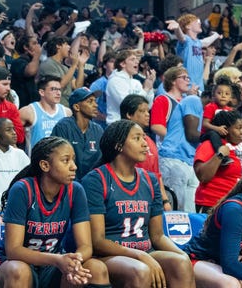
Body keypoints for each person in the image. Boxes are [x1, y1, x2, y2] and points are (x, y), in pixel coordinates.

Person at [82, 120, 195, 288]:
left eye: (144, 138)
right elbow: (97, 241)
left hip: (145, 252)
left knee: (181, 262)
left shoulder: (150, 180)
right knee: (140, 270)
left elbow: (157, 236)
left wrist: (183, 255)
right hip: (109, 256)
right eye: (137, 138)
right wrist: (139, 255)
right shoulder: (96, 180)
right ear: (119, 146)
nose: (145, 144)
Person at [0, 136, 110, 287]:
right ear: (45, 165)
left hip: (53, 264)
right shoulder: (23, 190)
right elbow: (13, 250)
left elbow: (86, 246)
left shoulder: (76, 190)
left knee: (96, 268)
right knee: (19, 271)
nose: (74, 166)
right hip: (14, 262)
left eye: (73, 160)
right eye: (66, 160)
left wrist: (74, 262)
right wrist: (58, 260)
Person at [120, 94, 172, 212]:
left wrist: (165, 201)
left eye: (148, 111)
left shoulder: (150, 142)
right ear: (129, 114)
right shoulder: (120, 140)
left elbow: (156, 174)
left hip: (151, 200)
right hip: (129, 200)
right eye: (142, 111)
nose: (147, 114)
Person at [194, 110, 242, 213]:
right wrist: (219, 155)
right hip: (213, 204)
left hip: (239, 204)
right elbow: (202, 176)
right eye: (238, 128)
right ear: (225, 129)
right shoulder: (210, 145)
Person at [51, 87, 103, 180]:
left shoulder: (98, 130)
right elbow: (57, 159)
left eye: (95, 101)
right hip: (67, 183)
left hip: (92, 183)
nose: (95, 105)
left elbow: (101, 162)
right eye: (90, 101)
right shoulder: (63, 127)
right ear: (76, 107)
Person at [167, 13, 220, 92]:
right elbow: (181, 37)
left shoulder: (198, 42)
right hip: (187, 87)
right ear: (188, 26)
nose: (200, 23)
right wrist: (177, 28)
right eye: (196, 21)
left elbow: (206, 42)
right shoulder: (186, 41)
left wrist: (216, 35)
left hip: (199, 87)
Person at [19, 75, 72, 152]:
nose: (58, 93)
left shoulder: (67, 112)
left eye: (59, 90)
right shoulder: (28, 111)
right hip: (35, 161)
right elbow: (14, 138)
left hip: (59, 159)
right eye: (53, 89)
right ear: (42, 92)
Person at [106, 49, 155, 125]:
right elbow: (128, 105)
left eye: (137, 59)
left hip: (134, 125)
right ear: (122, 64)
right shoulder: (115, 81)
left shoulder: (136, 82)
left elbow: (148, 106)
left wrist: (150, 87)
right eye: (132, 59)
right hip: (118, 126)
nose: (137, 62)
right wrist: (145, 90)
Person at [39, 36, 85, 107]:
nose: (69, 47)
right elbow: (60, 85)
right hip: (54, 107)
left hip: (66, 107)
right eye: (66, 44)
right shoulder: (48, 63)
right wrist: (73, 65)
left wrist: (81, 65)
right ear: (58, 46)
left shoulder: (65, 68)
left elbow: (77, 87)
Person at [149, 66, 188, 142]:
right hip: (168, 148)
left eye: (188, 78)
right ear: (173, 81)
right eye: (184, 77)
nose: (188, 81)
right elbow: (156, 126)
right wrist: (177, 139)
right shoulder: (162, 100)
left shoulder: (187, 101)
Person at [10, 34, 42, 108]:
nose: (38, 46)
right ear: (25, 47)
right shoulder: (18, 62)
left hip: (33, 105)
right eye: (34, 43)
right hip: (21, 105)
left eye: (38, 43)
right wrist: (37, 55)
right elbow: (30, 72)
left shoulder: (34, 62)